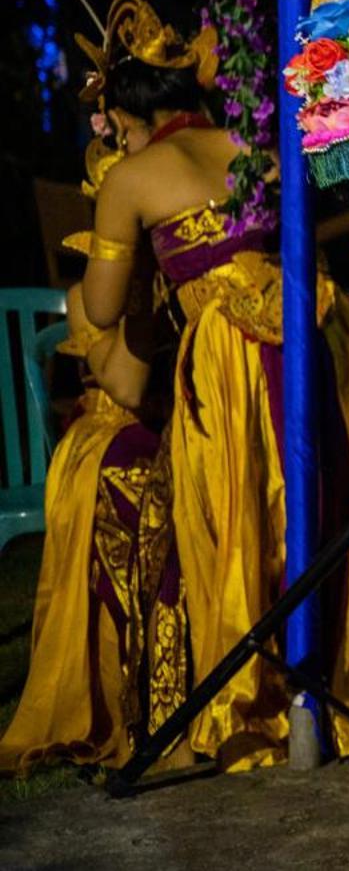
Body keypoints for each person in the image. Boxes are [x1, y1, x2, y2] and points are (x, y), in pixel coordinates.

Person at [60, 0, 349, 773]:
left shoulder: (131, 175)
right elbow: (290, 237)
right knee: (321, 505)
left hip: (229, 359)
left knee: (224, 508)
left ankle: (243, 696)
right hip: (318, 331)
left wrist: (112, 208)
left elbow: (103, 305)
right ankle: (335, 685)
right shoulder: (251, 147)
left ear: (119, 114)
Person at [0, 126, 181, 775]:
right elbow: (129, 386)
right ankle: (144, 698)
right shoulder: (86, 300)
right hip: (106, 431)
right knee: (129, 481)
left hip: (180, 427)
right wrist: (142, 302)